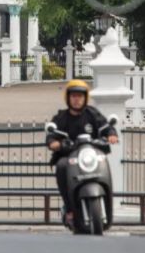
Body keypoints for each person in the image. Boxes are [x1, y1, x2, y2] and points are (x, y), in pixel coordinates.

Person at [47, 80, 118, 222]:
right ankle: (69, 208)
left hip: (90, 155)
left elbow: (105, 126)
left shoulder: (92, 114)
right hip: (70, 157)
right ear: (68, 98)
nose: (77, 99)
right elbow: (51, 135)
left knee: (103, 161)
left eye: (80, 96)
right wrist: (53, 143)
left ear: (85, 98)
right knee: (61, 165)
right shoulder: (61, 117)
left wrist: (111, 134)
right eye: (73, 96)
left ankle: (108, 204)